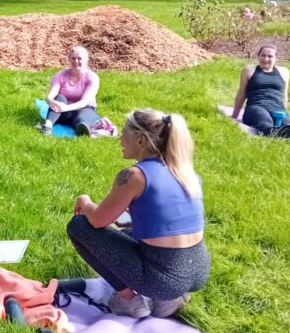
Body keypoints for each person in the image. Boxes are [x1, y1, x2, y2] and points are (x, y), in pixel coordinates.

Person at [66, 109, 210, 319]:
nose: (120, 139)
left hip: (163, 279)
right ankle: (169, 299)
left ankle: (129, 301)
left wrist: (85, 201)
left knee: (80, 226)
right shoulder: (186, 172)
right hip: (198, 269)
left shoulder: (134, 176)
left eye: (124, 133)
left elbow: (97, 221)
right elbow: (155, 219)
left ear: (141, 140)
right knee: (125, 226)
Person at [231, 45, 290, 141]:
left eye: (270, 56)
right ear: (258, 56)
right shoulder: (249, 70)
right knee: (263, 118)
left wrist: (284, 111)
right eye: (263, 55)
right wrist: (234, 116)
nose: (266, 59)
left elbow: (284, 95)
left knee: (288, 124)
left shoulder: (284, 72)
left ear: (276, 58)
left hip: (277, 107)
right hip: (256, 106)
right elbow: (242, 93)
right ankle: (271, 131)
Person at [41, 46, 100, 136]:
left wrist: (65, 108)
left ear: (86, 59)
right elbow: (51, 95)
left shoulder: (92, 77)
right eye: (73, 58)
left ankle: (81, 128)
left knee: (82, 120)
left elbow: (84, 102)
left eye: (79, 58)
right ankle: (48, 125)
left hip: (83, 108)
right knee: (59, 97)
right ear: (69, 59)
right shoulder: (60, 75)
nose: (76, 61)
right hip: (63, 112)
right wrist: (50, 101)